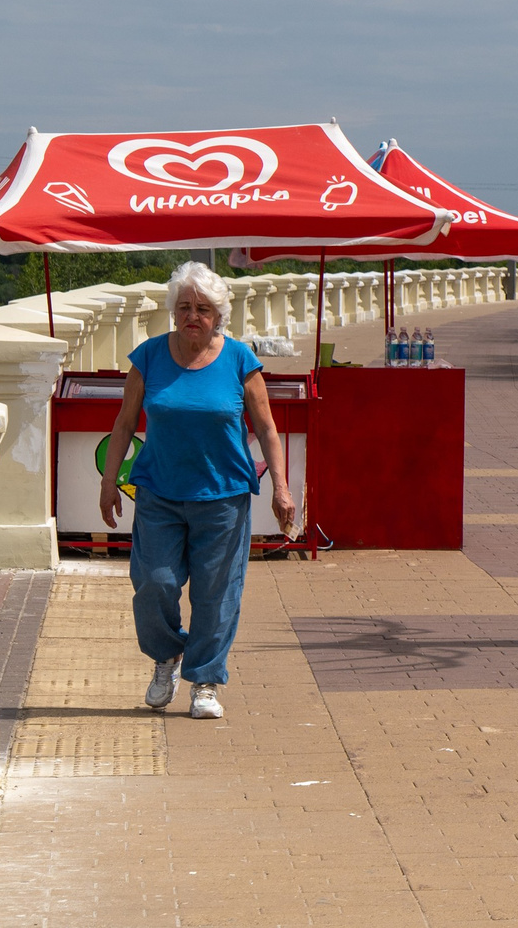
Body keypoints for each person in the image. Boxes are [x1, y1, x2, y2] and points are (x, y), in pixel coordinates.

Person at [99, 261, 299, 719]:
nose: (193, 315)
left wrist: (282, 490)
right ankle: (166, 658)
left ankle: (205, 679)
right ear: (173, 312)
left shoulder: (239, 361)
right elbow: (125, 423)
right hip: (159, 494)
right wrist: (110, 482)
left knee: (216, 592)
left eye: (203, 309)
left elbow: (267, 428)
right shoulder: (147, 357)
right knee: (155, 583)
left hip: (224, 496)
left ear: (219, 316)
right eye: (185, 307)